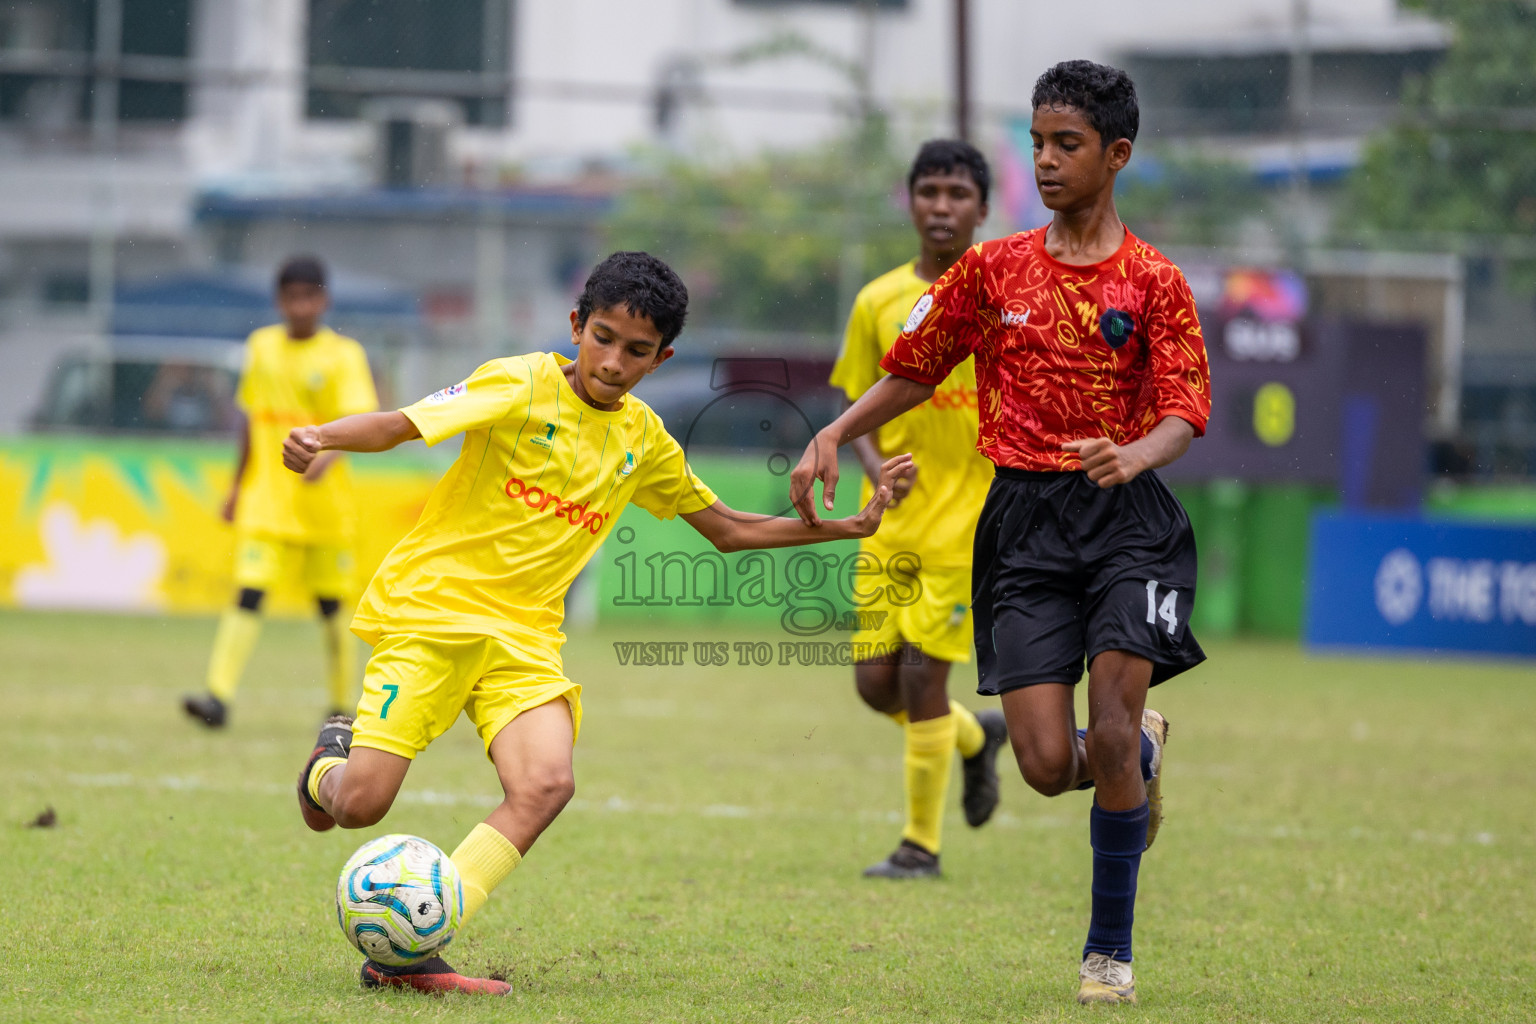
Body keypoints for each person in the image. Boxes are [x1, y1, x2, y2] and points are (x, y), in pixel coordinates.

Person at [285, 251, 913, 995]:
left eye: (636, 350)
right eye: (604, 337)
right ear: (577, 324)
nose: (614, 361)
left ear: (662, 357)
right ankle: (326, 764)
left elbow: (730, 529)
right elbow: (402, 424)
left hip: (523, 642)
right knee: (359, 804)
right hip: (433, 614)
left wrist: (850, 529)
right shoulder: (516, 380)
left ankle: (415, 951)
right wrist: (323, 436)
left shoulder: (644, 440)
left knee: (546, 784)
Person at [790, 61, 1211, 1005]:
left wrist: (1138, 453)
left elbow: (1186, 407)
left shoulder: (1155, 282)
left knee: (1098, 727)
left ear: (1118, 155)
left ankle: (1109, 954)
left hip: (1126, 525)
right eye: (1038, 142)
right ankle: (1139, 751)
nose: (1047, 160)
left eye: (1067, 145)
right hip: (1021, 526)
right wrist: (834, 432)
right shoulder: (994, 269)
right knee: (1046, 763)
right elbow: (914, 367)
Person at [828, 139, 1009, 880]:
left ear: (982, 208)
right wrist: (874, 471)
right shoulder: (878, 300)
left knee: (922, 683)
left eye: (957, 193)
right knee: (876, 686)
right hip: (890, 523)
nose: (942, 206)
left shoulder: (1004, 297)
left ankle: (919, 846)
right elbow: (854, 398)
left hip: (968, 524)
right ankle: (973, 739)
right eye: (929, 191)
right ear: (911, 201)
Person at [183, 256, 378, 729]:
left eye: (309, 297)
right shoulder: (262, 348)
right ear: (279, 301)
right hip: (266, 498)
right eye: (291, 297)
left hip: (323, 504)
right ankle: (218, 697)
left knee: (330, 605)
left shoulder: (342, 356)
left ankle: (340, 704)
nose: (300, 306)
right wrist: (236, 487)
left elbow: (359, 422)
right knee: (248, 592)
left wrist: (324, 458)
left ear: (324, 300)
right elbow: (251, 420)